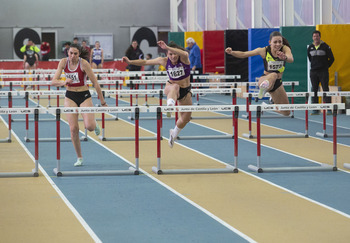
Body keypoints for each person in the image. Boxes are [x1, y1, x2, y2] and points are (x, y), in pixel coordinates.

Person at [122, 40, 192, 148]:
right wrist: (130, 62)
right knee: (175, 86)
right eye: (170, 54)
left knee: (186, 119)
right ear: (166, 54)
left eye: (174, 54)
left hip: (186, 91)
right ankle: (170, 105)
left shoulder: (184, 59)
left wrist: (167, 47)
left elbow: (185, 53)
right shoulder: (163, 61)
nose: (173, 57)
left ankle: (173, 134)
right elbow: (145, 62)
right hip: (171, 88)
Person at [51, 43, 107, 167]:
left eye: (75, 54)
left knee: (90, 127)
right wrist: (64, 82)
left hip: (84, 95)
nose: (73, 56)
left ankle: (94, 123)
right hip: (70, 96)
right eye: (71, 53)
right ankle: (79, 157)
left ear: (79, 54)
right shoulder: (63, 62)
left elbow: (95, 83)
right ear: (68, 53)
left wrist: (102, 102)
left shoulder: (84, 64)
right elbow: (53, 81)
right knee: (73, 129)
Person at [225, 31, 294, 116]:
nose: (278, 44)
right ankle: (263, 88)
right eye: (275, 42)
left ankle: (266, 106)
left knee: (286, 112)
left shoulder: (285, 49)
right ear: (270, 43)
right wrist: (232, 52)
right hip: (265, 79)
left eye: (280, 42)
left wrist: (285, 57)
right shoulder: (263, 51)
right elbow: (244, 54)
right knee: (274, 74)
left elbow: (291, 59)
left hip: (277, 84)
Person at [307, 30, 335, 115]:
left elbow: (332, 59)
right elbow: (310, 58)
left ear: (320, 37)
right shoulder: (310, 47)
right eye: (314, 36)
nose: (316, 38)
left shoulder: (326, 46)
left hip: (323, 72)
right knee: (314, 89)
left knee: (325, 89)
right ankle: (315, 109)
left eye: (317, 36)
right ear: (313, 37)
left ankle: (329, 109)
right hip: (313, 72)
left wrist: (325, 67)